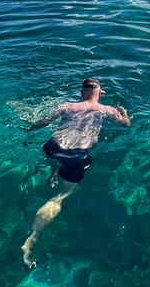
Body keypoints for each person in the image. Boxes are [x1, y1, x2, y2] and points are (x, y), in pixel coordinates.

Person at [22, 78, 130, 268]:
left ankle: (53, 172)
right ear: (100, 93)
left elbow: (43, 122)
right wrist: (124, 114)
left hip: (53, 147)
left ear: (81, 94)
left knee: (55, 160)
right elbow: (126, 125)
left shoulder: (67, 106)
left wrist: (28, 130)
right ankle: (31, 239)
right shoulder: (107, 110)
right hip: (76, 155)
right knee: (58, 198)